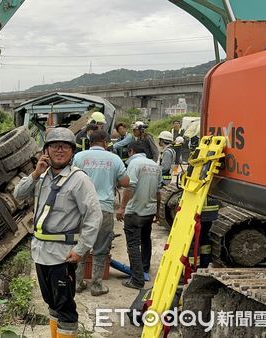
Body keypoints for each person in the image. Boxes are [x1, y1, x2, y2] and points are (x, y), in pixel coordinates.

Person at [13, 127, 102, 338]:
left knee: (65, 309)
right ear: (46, 150)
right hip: (41, 252)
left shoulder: (79, 179)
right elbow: (18, 194)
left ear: (72, 152)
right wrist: (35, 174)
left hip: (62, 255)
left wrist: (81, 250)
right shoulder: (42, 177)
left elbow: (93, 216)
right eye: (54, 146)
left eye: (65, 147)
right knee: (51, 303)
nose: (59, 150)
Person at [72, 130, 129, 296]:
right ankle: (96, 286)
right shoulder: (114, 159)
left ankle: (77, 283)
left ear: (90, 141)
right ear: (105, 141)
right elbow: (126, 182)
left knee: (81, 245)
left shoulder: (79, 157)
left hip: (81, 208)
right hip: (103, 208)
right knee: (101, 248)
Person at [116, 142, 162, 289]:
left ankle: (137, 279)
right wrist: (157, 211)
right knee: (145, 240)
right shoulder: (155, 166)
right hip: (149, 211)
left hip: (135, 211)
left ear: (131, 151)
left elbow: (130, 186)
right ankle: (144, 268)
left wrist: (122, 207)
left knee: (133, 244)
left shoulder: (134, 164)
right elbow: (158, 191)